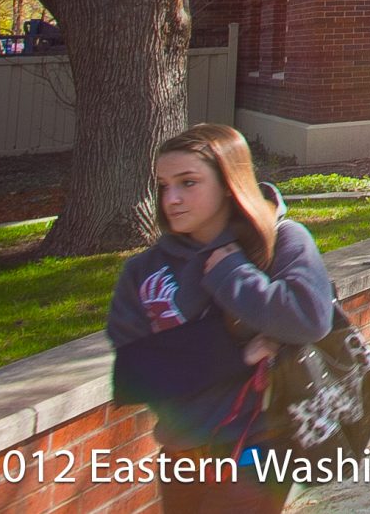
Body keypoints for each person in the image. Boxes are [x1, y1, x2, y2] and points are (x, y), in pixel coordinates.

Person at [107, 124, 335, 514]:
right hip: (179, 454)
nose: (171, 199)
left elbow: (309, 319)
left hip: (255, 451)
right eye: (164, 185)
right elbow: (133, 372)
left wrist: (232, 272)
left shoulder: (280, 243)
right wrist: (238, 352)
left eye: (188, 183)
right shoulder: (143, 272)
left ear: (230, 184)